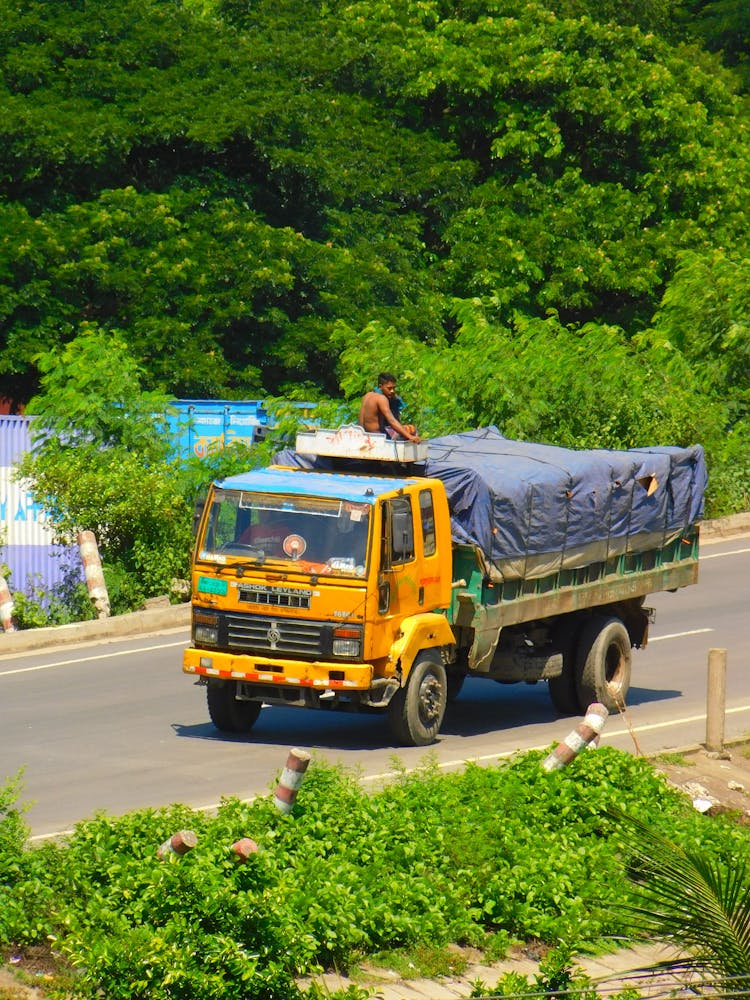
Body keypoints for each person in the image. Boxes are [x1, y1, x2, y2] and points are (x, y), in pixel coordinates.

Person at [358, 373, 421, 442]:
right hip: (378, 438)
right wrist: (410, 437)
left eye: (394, 388)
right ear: (380, 386)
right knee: (411, 429)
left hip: (363, 435)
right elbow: (392, 421)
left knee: (403, 429)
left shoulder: (367, 395)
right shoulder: (381, 398)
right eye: (389, 388)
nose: (392, 391)